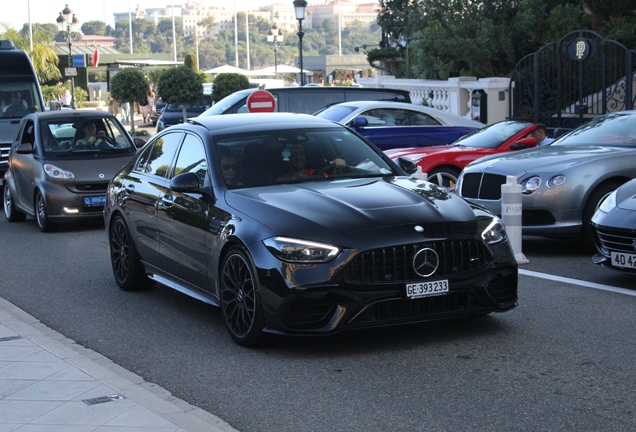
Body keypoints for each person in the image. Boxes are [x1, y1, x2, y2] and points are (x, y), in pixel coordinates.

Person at [278, 144, 346, 180]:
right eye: (294, 154)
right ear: (288, 157)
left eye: (301, 154)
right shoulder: (281, 180)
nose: (299, 157)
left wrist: (336, 168)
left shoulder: (317, 173)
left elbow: (329, 182)